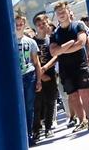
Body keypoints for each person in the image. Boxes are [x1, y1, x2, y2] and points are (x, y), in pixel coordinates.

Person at [11, 13, 40, 142]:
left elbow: (36, 62)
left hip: (29, 75)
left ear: (24, 25)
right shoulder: (9, 41)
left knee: (29, 106)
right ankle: (19, 135)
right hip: (15, 77)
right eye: (16, 24)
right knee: (17, 106)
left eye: (21, 24)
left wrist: (38, 80)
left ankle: (29, 134)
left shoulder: (31, 41)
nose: (18, 26)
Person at [32, 13, 58, 142]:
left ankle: (49, 127)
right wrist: (40, 74)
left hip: (51, 74)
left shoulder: (52, 39)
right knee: (37, 104)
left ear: (47, 23)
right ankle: (36, 130)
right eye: (39, 25)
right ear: (35, 27)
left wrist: (45, 68)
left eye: (43, 24)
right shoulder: (33, 41)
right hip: (37, 76)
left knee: (50, 102)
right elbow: (32, 60)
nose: (41, 26)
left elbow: (56, 56)